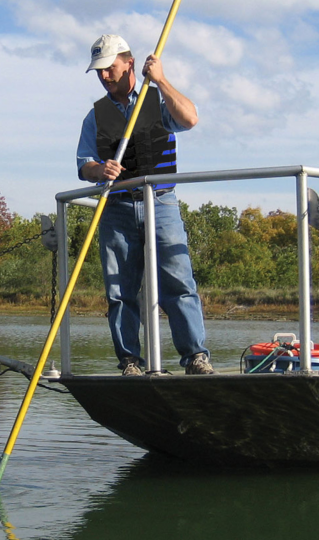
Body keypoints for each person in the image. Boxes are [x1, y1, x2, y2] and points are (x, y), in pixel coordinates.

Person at [76, 34, 213, 376]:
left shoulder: (156, 99)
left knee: (178, 282)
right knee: (120, 290)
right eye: (99, 71)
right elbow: (84, 164)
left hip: (161, 203)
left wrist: (162, 80)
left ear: (130, 63)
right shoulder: (95, 115)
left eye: (109, 68)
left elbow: (190, 119)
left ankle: (195, 358)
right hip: (117, 208)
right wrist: (99, 170)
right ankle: (129, 362)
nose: (104, 76)